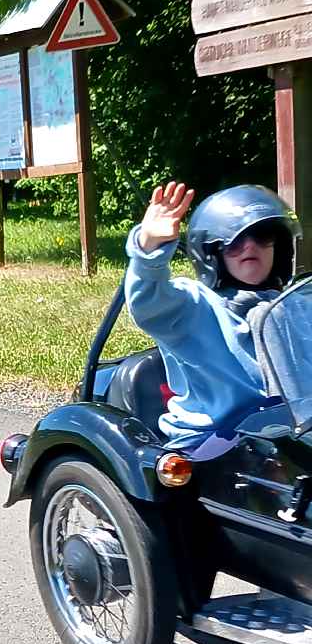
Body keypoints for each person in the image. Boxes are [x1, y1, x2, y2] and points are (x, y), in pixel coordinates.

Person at [125, 181, 302, 450]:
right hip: (214, 443)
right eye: (235, 242)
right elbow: (146, 303)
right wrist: (149, 248)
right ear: (212, 253)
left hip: (291, 436)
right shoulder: (195, 305)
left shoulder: (295, 304)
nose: (249, 247)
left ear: (279, 247)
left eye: (263, 236)